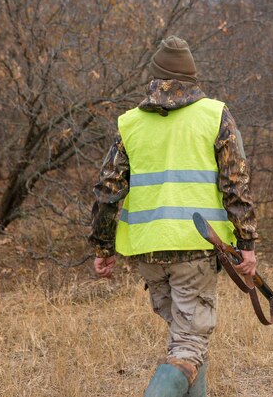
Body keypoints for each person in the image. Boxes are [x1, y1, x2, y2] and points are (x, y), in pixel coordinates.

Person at [88, 36, 258, 397]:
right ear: (192, 78)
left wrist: (104, 248)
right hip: (197, 249)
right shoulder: (214, 114)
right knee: (188, 346)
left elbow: (107, 191)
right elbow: (236, 184)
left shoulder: (130, 123)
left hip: (149, 254)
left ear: (155, 78)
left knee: (188, 340)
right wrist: (247, 244)